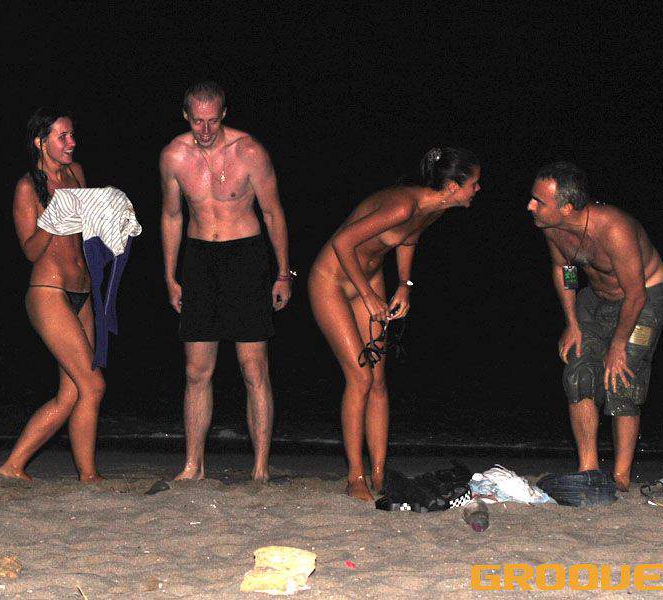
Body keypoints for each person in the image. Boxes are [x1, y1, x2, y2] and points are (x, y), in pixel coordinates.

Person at [309, 147, 481, 501]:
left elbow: (408, 238)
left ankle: (378, 474)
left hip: (369, 279)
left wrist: (405, 284)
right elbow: (342, 242)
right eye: (474, 183)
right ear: (452, 186)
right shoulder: (403, 205)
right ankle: (355, 477)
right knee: (359, 378)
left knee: (378, 381)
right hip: (332, 280)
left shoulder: (434, 209)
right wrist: (368, 296)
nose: (478, 189)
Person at [160, 82, 292, 482]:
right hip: (199, 260)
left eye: (213, 121)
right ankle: (192, 466)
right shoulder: (173, 156)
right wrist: (170, 275)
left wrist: (282, 272)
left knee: (254, 368)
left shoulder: (249, 152)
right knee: (196, 370)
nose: (205, 130)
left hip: (246, 258)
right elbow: (172, 216)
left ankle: (260, 468)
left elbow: (273, 213)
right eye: (198, 121)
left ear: (224, 114)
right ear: (186, 116)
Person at [527, 161, 663, 491]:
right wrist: (572, 322)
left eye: (539, 201)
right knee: (578, 372)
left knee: (621, 378)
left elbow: (636, 294)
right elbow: (566, 271)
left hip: (644, 297)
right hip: (596, 299)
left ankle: (620, 477)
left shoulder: (614, 230)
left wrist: (618, 346)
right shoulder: (551, 226)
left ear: (566, 207)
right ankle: (588, 470)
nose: (530, 206)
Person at [0, 108, 105, 483]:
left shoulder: (76, 173)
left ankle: (15, 466)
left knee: (72, 394)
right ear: (41, 142)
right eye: (63, 137)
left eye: (72, 135)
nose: (71, 142)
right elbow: (30, 250)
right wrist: (54, 214)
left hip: (83, 292)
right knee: (93, 384)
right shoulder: (28, 187)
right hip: (49, 292)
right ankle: (88, 477)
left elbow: (87, 230)